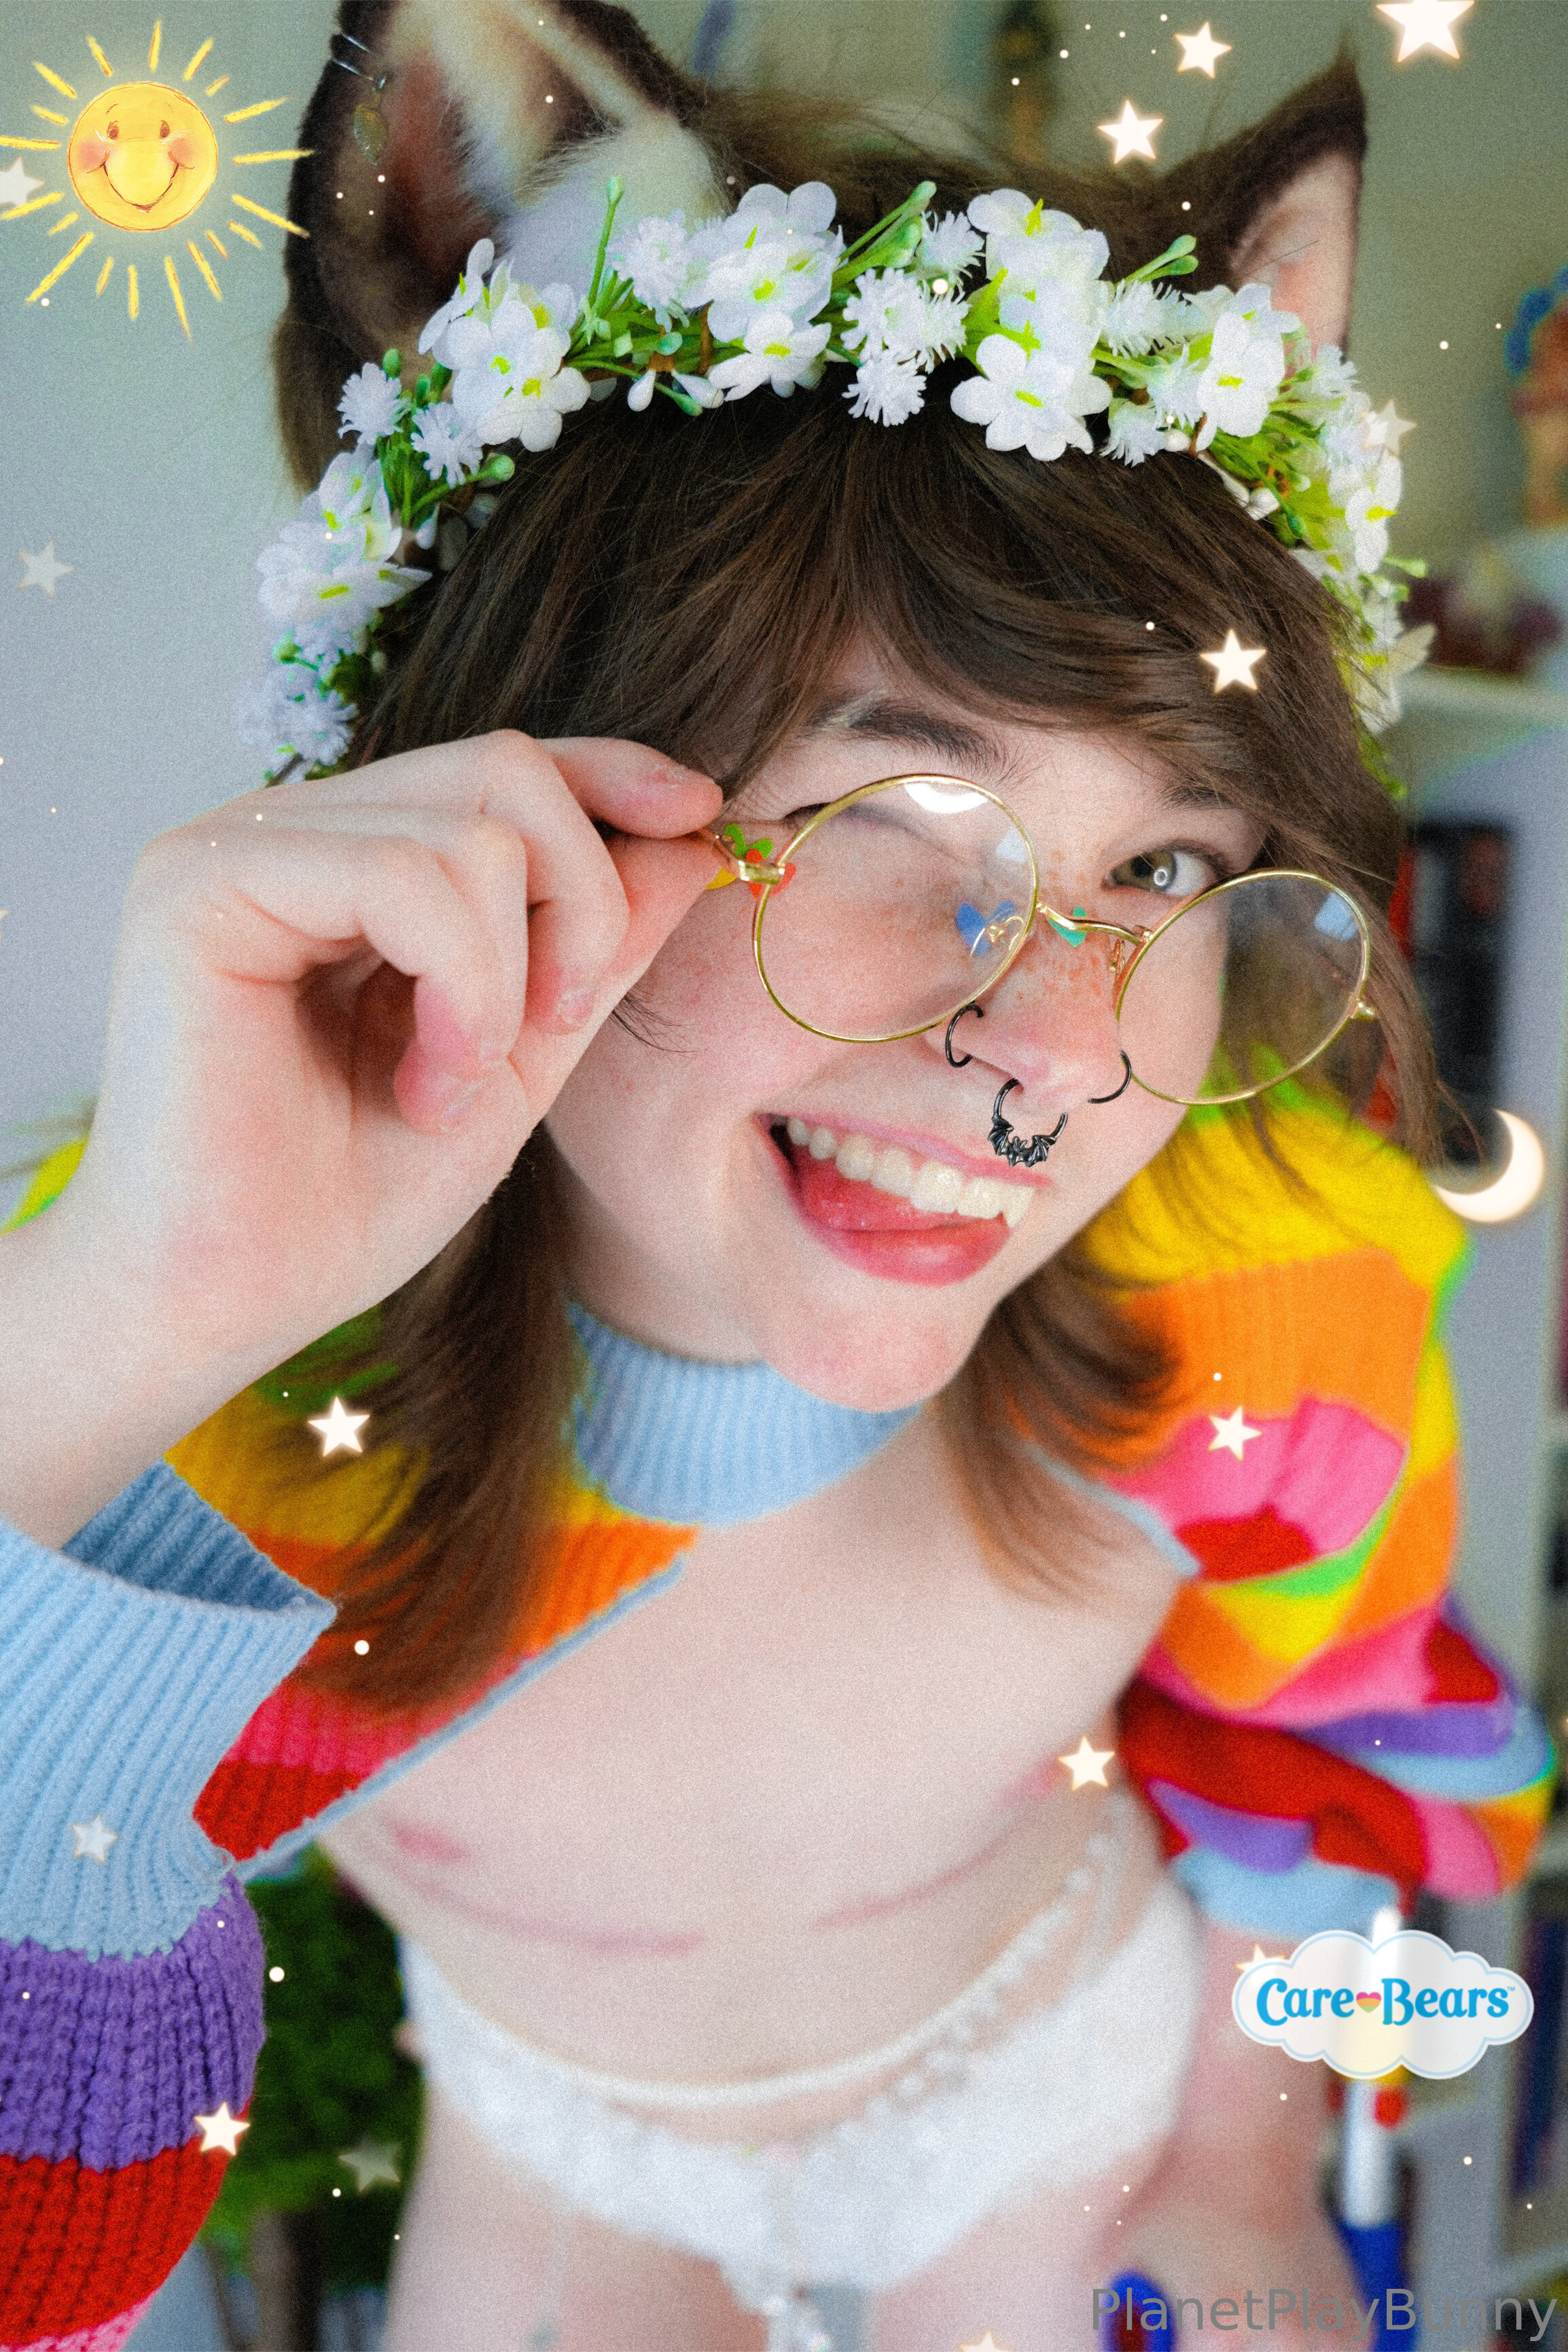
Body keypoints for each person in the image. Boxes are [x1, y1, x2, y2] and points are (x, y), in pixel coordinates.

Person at [0, 7, 1552, 2349]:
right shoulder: (191, 1415)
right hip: (556, 2160)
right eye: (888, 817)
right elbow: (43, 2250)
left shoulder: (1260, 1281)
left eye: (1160, 866)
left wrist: (1243, 2143)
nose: (1059, 1051)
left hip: (1077, 2086)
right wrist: (112, 1339)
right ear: (491, 789)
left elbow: (1343, 1726)